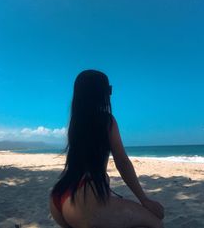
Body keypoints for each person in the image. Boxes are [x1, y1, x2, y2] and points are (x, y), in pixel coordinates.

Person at [49, 69, 164, 228]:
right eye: (108, 88)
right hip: (85, 197)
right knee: (156, 224)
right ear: (100, 92)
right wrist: (144, 200)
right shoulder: (106, 120)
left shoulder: (75, 123)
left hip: (60, 195)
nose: (110, 93)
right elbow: (122, 161)